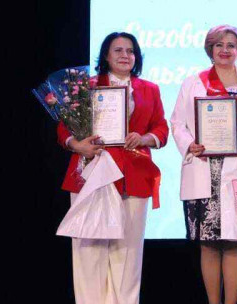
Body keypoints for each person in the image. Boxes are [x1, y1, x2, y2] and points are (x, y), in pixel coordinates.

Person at [58, 31, 169, 304]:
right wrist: (78, 145)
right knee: (89, 249)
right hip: (92, 172)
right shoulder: (86, 87)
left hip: (134, 175)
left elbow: (161, 128)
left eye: (130, 51)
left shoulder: (150, 89)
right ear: (106, 56)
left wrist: (144, 138)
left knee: (127, 251)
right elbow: (63, 128)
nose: (125, 55)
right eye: (118, 50)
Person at [170, 24, 237, 304]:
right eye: (219, 45)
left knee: (235, 239)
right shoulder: (193, 82)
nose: (225, 50)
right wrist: (188, 145)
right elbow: (177, 122)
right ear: (210, 49)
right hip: (204, 167)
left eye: (231, 45)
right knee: (208, 242)